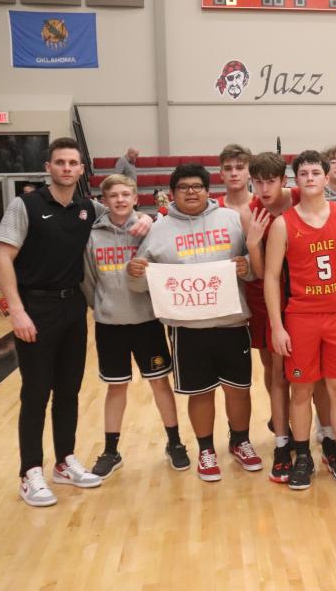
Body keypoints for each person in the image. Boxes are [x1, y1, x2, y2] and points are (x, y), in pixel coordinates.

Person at [0, 137, 150, 507]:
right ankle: (30, 471)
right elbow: (2, 256)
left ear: (81, 170)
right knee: (35, 392)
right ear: (48, 167)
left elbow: (121, 211)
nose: (66, 168)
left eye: (73, 163)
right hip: (35, 308)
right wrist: (16, 310)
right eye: (60, 162)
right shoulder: (25, 205)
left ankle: (64, 461)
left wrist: (144, 217)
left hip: (73, 309)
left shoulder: (87, 208)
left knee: (69, 390)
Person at [127, 163, 260, 482]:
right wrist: (133, 274)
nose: (191, 191)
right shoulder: (158, 229)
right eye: (183, 187)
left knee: (238, 390)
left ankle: (240, 441)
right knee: (200, 393)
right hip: (187, 330)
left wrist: (247, 267)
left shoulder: (231, 220)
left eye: (197, 186)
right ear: (171, 193)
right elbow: (141, 282)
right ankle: (205, 448)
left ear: (207, 190)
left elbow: (254, 268)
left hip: (231, 324)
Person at [263, 151, 336, 492]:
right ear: (297, 180)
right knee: (301, 391)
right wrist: (277, 326)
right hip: (301, 317)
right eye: (303, 173)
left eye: (315, 172)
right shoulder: (283, 223)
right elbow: (271, 277)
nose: (310, 177)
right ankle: (303, 456)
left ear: (326, 178)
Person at [80, 174, 187, 478]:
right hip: (110, 324)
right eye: (113, 195)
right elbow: (89, 281)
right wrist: (101, 306)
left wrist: (152, 220)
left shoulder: (148, 230)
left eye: (126, 194)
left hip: (146, 323)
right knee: (116, 387)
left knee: (159, 383)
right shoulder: (93, 235)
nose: (120, 200)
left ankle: (175, 443)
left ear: (136, 198)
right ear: (104, 201)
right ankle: (111, 451)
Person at [244, 152, 295, 483]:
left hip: (305, 294)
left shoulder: (302, 199)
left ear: (283, 182)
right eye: (258, 182)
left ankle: (317, 427)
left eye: (269, 181)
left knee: (305, 373)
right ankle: (283, 429)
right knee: (274, 368)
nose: (263, 188)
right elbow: (263, 274)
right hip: (270, 296)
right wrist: (252, 245)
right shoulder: (252, 212)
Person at [218, 143, 254, 219]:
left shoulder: (263, 204)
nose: (233, 173)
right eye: (228, 169)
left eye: (240, 168)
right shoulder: (214, 208)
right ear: (221, 174)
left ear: (250, 172)